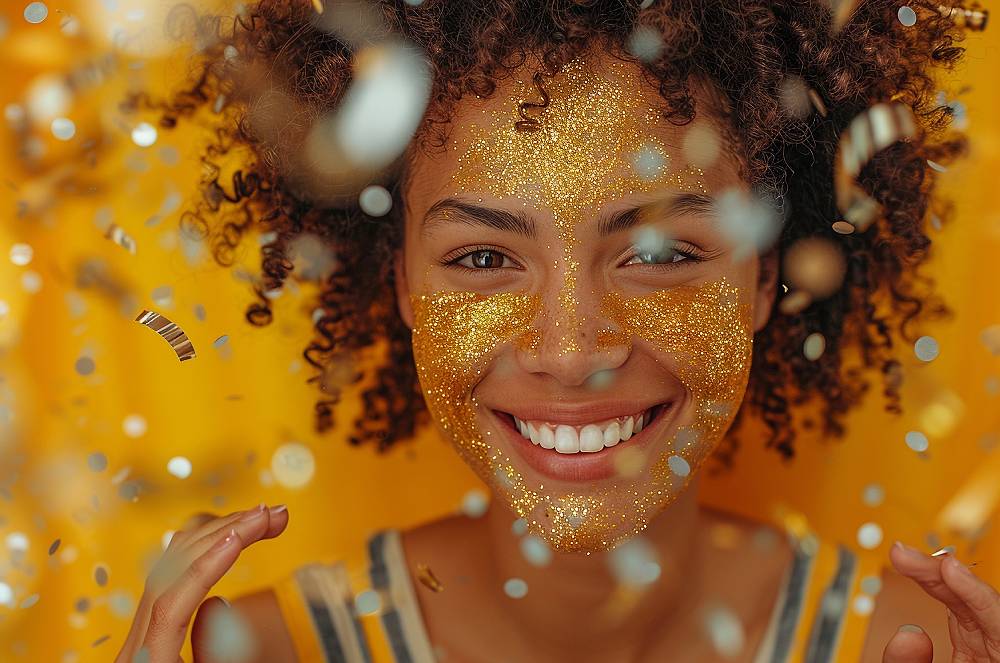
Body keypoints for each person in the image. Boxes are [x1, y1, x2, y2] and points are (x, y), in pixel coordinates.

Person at [115, 0, 999, 661]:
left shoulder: (908, 644)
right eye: (484, 259)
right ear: (403, 284)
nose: (572, 353)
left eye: (657, 253)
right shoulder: (254, 651)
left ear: (764, 275)